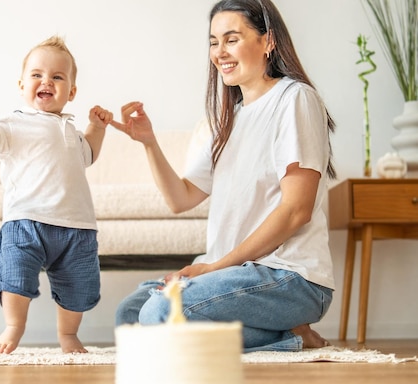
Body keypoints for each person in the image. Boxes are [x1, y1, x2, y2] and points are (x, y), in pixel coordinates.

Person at [110, 0, 336, 352]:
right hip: (234, 274)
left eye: (232, 39)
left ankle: (290, 335)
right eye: (214, 42)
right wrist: (149, 143)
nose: (219, 52)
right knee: (130, 315)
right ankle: (286, 334)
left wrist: (214, 267)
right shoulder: (230, 121)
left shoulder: (295, 99)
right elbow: (180, 198)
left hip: (289, 276)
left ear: (268, 41)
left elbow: (296, 210)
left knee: (157, 315)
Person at [0, 35, 113, 354]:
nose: (46, 81)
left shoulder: (71, 130)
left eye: (57, 77)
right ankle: (14, 326)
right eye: (37, 75)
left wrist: (96, 128)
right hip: (25, 220)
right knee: (15, 276)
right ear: (21, 85)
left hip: (77, 226)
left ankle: (68, 335)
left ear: (71, 92)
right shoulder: (14, 125)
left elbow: (88, 155)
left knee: (79, 286)